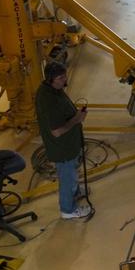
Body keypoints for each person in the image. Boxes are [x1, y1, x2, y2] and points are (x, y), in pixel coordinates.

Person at [34, 61, 93, 221]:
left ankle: (74, 191)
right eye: (60, 78)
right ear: (50, 79)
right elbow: (57, 131)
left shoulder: (53, 89)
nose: (64, 80)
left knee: (72, 171)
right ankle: (68, 209)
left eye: (64, 75)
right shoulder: (48, 101)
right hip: (62, 148)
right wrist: (77, 119)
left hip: (69, 145)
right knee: (66, 176)